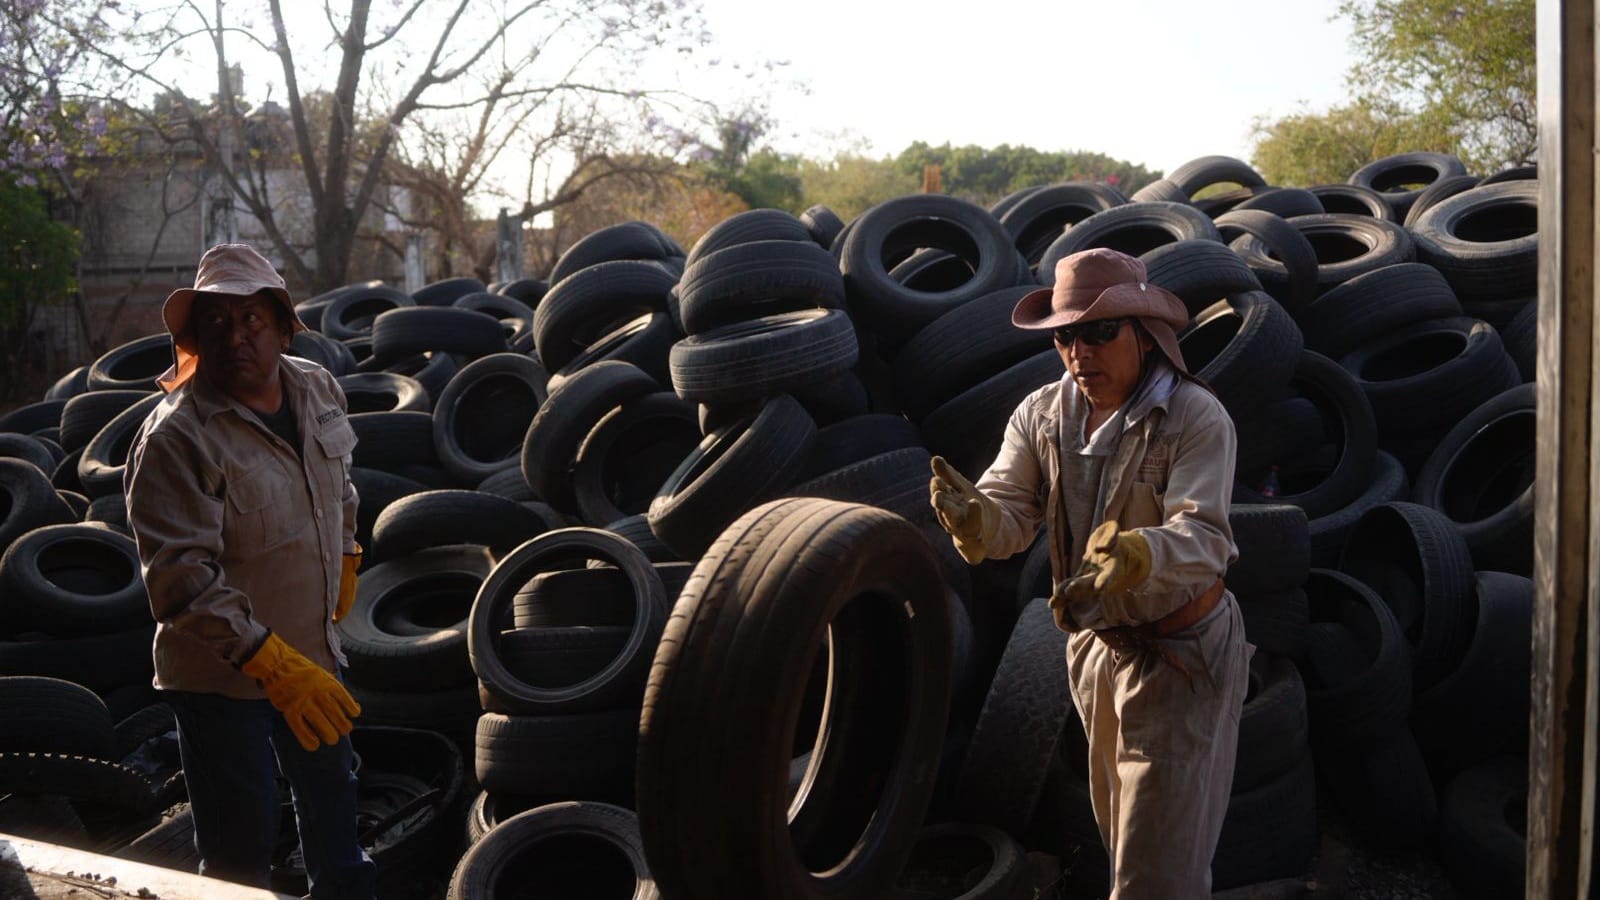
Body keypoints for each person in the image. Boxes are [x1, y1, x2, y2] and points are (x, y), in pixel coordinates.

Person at [929, 247, 1248, 899]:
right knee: (1122, 844)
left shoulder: (1194, 416)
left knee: (1157, 876)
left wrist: (1138, 557)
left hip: (1181, 657)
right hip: (1097, 652)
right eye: (1066, 336)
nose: (1080, 352)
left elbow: (1205, 540)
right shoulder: (1043, 414)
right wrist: (976, 521)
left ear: (1145, 334)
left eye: (1100, 332)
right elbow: (1009, 513)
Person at [123, 243, 373, 898]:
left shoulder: (316, 387)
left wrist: (347, 552)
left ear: (284, 328)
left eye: (250, 320)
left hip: (313, 658)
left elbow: (339, 485)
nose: (234, 337)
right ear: (195, 339)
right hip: (220, 682)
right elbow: (181, 581)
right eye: (215, 322)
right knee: (239, 855)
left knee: (338, 831)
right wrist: (272, 664)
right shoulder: (177, 437)